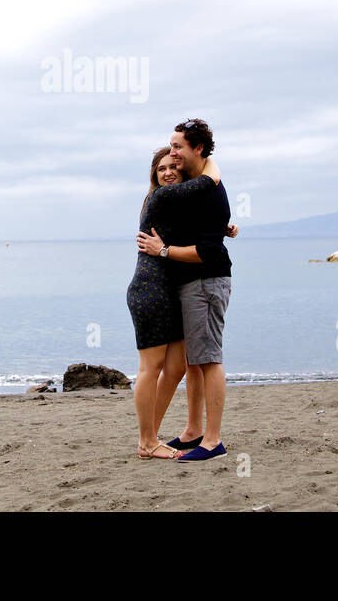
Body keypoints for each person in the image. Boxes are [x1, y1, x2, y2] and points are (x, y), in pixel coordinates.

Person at [136, 118, 232, 461]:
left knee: (201, 361)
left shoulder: (199, 188)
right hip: (169, 288)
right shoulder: (182, 189)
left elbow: (203, 244)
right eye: (163, 162)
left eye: (177, 149)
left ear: (198, 149)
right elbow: (206, 190)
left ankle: (209, 440)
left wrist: (223, 227)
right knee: (179, 364)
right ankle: (175, 435)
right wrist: (212, 173)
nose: (172, 160)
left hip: (200, 283)